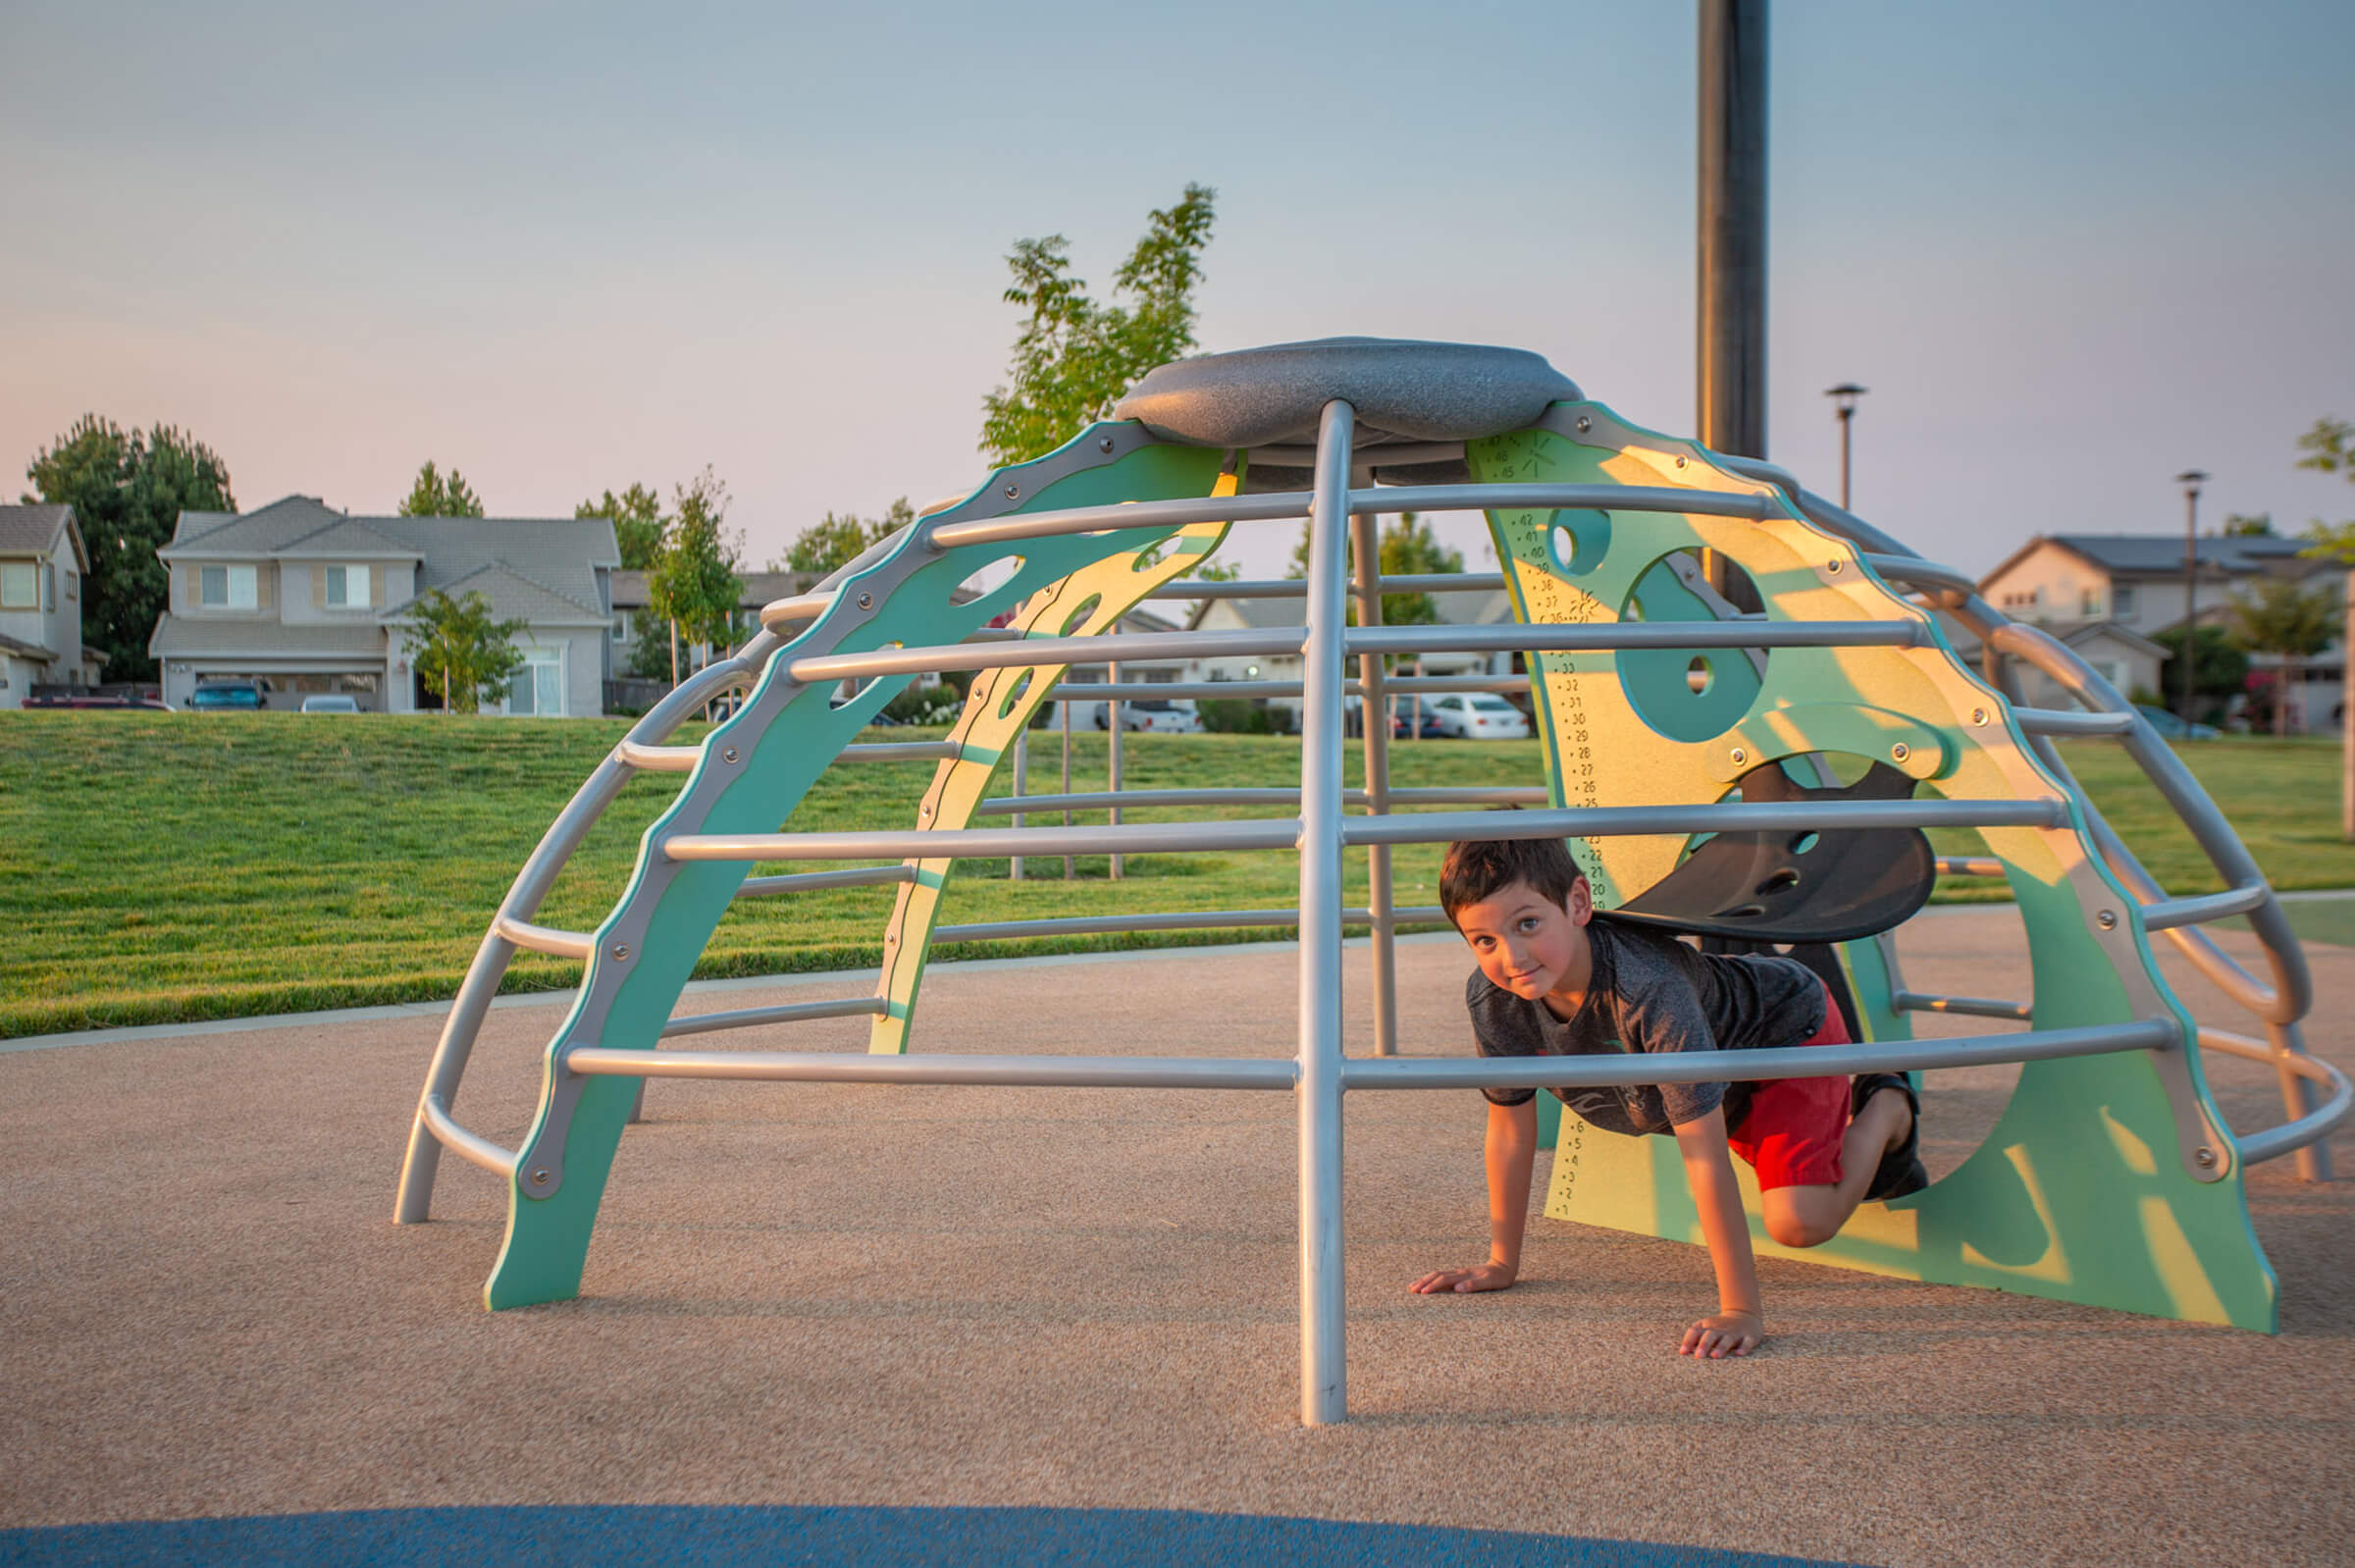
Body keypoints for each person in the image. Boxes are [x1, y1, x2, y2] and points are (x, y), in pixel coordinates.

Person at [1408, 835, 1927, 1358]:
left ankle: (1888, 1102)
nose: (1512, 957)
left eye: (1527, 924)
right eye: (1484, 940)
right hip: (1721, 1080)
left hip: (1782, 1032)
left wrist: (1741, 1310)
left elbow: (1701, 1153)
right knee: (1766, 1166)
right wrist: (1502, 1262)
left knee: (1799, 1222)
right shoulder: (1495, 1001)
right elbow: (1509, 1132)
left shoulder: (1645, 989)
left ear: (1578, 903)